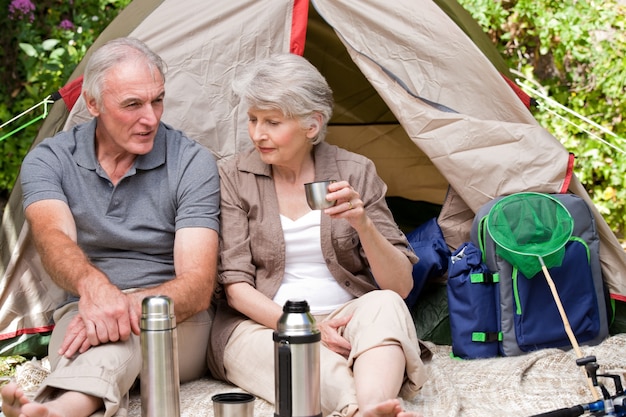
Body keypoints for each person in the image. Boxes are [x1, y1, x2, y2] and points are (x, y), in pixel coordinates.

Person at [1, 37, 220, 417]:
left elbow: (198, 287)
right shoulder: (50, 160)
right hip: (83, 312)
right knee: (94, 335)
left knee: (119, 333)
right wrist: (94, 288)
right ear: (93, 104)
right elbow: (53, 238)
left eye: (157, 100)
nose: (150, 118)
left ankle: (59, 410)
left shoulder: (192, 162)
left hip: (176, 320)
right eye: (132, 104)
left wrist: (120, 307)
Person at [207, 53, 429, 417]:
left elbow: (400, 286)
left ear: (312, 125)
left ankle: (375, 405)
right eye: (252, 119)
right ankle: (360, 409)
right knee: (300, 353)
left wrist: (364, 224)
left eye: (272, 122)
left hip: (347, 313)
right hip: (262, 325)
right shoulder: (233, 176)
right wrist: (309, 327)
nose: (257, 133)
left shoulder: (354, 170)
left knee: (386, 306)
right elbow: (236, 288)